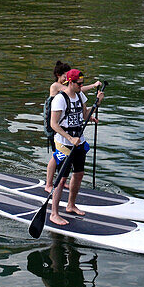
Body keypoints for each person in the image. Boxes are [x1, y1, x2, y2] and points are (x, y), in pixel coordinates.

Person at [49, 69, 104, 226]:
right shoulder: (59, 99)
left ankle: (71, 205)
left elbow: (84, 113)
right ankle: (54, 213)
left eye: (82, 83)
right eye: (79, 83)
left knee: (79, 174)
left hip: (79, 141)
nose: (82, 85)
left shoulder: (80, 95)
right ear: (70, 82)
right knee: (61, 179)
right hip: (63, 144)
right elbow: (54, 124)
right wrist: (69, 138)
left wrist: (97, 105)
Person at [44, 61, 101, 191]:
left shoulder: (74, 91)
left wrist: (88, 116)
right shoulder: (57, 87)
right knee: (56, 155)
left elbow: (76, 102)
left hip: (69, 124)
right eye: (65, 76)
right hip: (56, 124)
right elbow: (75, 90)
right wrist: (93, 85)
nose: (65, 78)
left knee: (67, 162)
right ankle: (49, 184)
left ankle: (62, 180)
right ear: (59, 75)